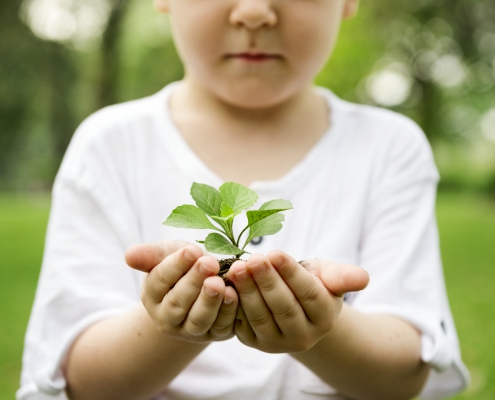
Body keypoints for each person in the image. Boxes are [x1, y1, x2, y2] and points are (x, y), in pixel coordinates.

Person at [18, 0, 470, 399]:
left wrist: (322, 327)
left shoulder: (390, 147)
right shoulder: (108, 146)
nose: (254, 11)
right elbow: (80, 383)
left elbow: (404, 375)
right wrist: (171, 324)